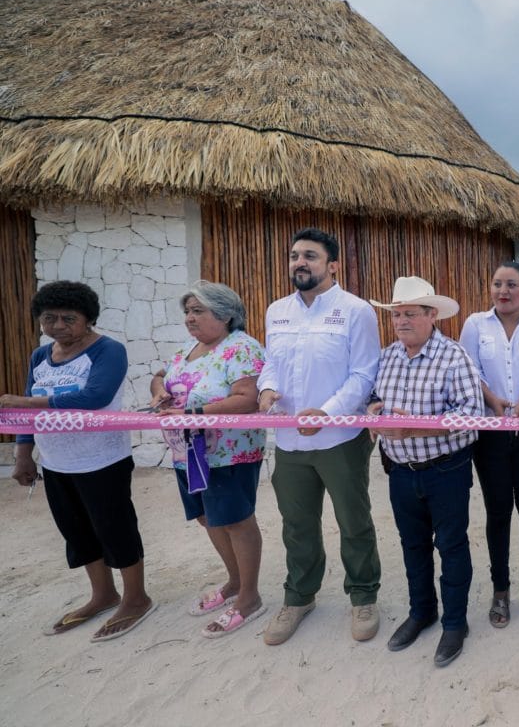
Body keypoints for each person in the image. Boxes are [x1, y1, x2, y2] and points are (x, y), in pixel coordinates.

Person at [4, 281, 156, 641]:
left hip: (102, 458)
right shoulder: (40, 356)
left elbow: (96, 396)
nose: (57, 325)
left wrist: (27, 403)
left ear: (88, 319)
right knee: (76, 530)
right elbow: (28, 410)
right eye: (48, 318)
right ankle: (103, 594)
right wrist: (24, 454)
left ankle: (136, 597)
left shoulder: (107, 350)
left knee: (115, 528)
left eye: (68, 318)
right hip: (56, 461)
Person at [257, 227, 382, 645]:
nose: (299, 263)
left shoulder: (356, 310)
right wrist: (266, 388)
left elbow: (364, 374)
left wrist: (326, 413)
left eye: (310, 256)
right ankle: (299, 597)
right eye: (294, 255)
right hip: (290, 441)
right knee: (297, 524)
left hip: (340, 440)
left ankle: (363, 595)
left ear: (332, 265)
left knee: (354, 521)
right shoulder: (277, 311)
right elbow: (271, 363)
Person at [368, 276, 483, 668]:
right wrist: (372, 412)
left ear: (432, 315)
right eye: (396, 314)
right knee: (412, 544)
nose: (401, 321)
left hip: (445, 468)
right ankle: (422, 612)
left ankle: (455, 623)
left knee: (451, 546)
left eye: (410, 314)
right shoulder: (387, 357)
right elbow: (375, 399)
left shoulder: (454, 357)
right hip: (400, 470)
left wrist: (413, 427)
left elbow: (472, 416)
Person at [150, 281, 267, 638]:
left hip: (227, 453)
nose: (189, 318)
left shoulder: (242, 348)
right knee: (207, 518)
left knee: (236, 520)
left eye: (198, 311)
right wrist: (159, 395)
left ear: (226, 314)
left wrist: (192, 410)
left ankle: (249, 597)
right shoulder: (190, 348)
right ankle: (233, 581)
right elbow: (160, 377)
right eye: (187, 311)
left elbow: (247, 399)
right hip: (186, 451)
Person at [459, 262, 519, 630]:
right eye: (498, 283)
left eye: (512, 284)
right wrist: (494, 400)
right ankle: (500, 590)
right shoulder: (475, 324)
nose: (504, 290)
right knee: (497, 511)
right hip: (491, 431)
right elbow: (470, 369)